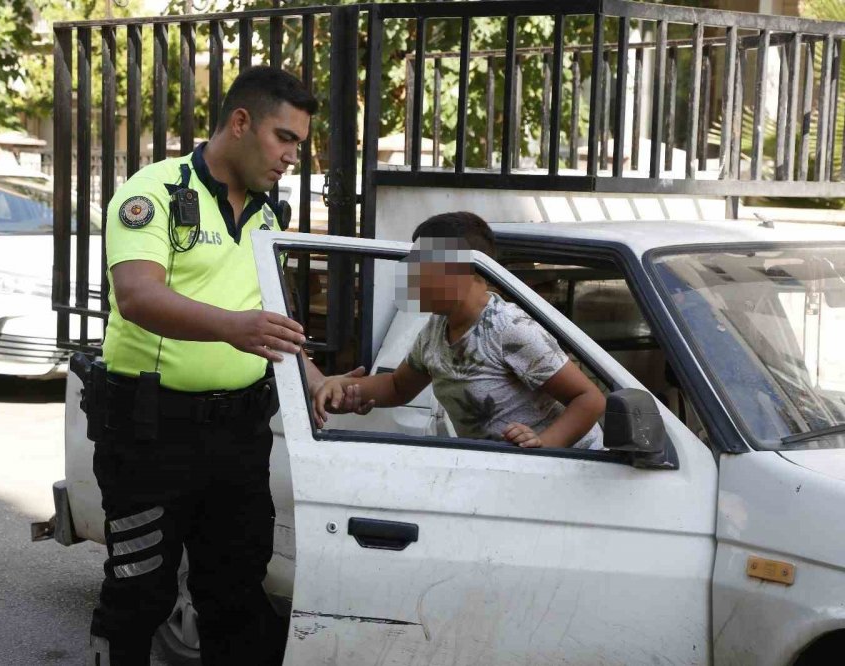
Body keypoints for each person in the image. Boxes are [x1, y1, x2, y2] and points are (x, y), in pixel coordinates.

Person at [86, 66, 369, 666]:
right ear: (240, 123)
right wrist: (231, 327)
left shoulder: (267, 216)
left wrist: (315, 380)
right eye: (284, 138)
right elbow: (137, 296)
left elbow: (269, 314)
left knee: (236, 593)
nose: (293, 156)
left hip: (238, 436)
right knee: (140, 595)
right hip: (151, 433)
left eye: (299, 143)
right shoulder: (154, 192)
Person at [313, 211, 605, 449]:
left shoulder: (509, 329)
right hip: (503, 469)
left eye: (423, 266)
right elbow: (397, 387)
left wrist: (544, 444)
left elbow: (588, 399)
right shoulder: (436, 329)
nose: (412, 276)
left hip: (568, 473)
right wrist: (339, 388)